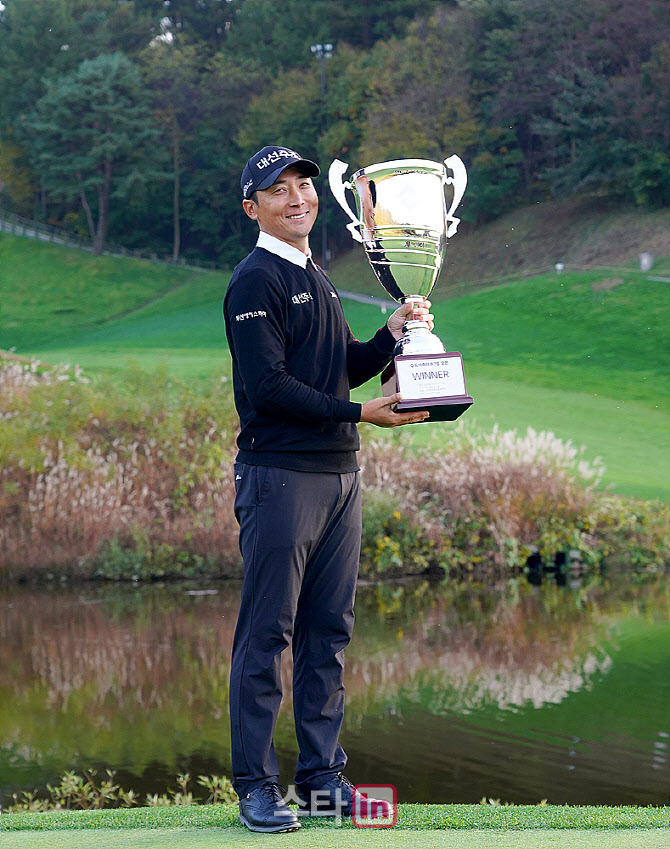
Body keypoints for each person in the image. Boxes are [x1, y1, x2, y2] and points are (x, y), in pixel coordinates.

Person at [223, 145, 432, 833]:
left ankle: (321, 780)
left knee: (328, 634)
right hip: (281, 476)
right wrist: (362, 413)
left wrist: (392, 335)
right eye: (278, 191)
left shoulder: (314, 271)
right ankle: (257, 787)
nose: (298, 199)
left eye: (304, 186)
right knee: (268, 634)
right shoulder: (255, 281)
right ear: (253, 208)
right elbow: (272, 388)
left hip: (341, 474)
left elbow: (338, 365)